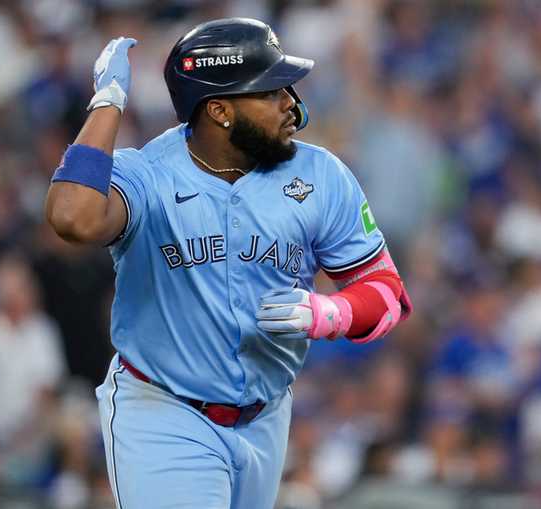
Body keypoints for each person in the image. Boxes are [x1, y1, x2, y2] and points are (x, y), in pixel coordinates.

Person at [43, 18, 414, 509]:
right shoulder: (148, 175)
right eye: (271, 91)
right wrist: (108, 101)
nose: (291, 104)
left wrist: (333, 314)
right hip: (165, 410)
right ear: (219, 110)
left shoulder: (321, 174)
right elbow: (72, 217)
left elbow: (388, 295)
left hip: (266, 416)